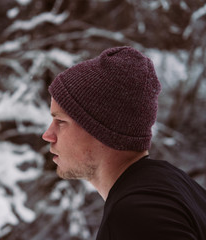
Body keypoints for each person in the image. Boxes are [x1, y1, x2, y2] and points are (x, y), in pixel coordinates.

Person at [42, 46, 206, 240]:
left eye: (61, 121)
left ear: (100, 127)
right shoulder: (173, 184)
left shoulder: (136, 214)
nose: (48, 135)